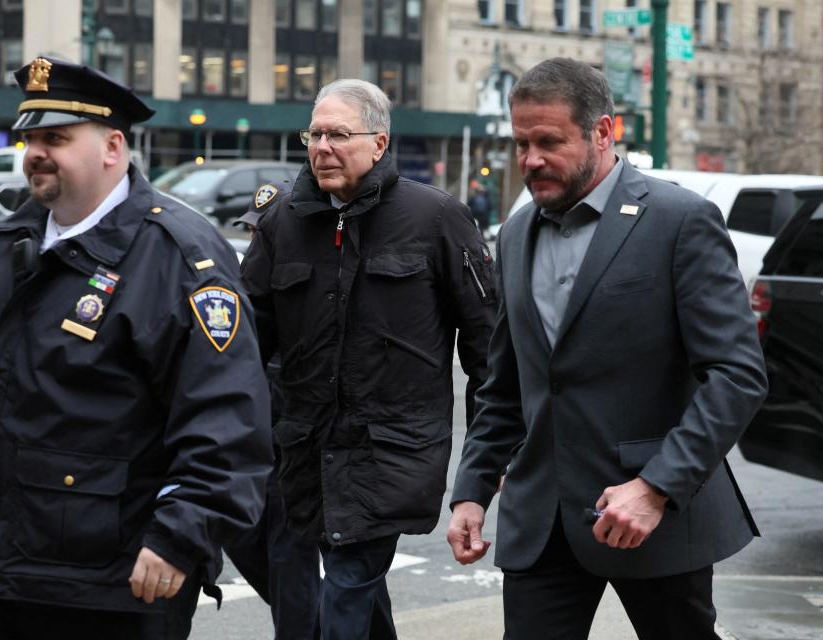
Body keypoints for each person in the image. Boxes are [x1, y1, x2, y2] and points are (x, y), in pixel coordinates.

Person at [0, 57, 273, 640]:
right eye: (29, 137)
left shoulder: (179, 256)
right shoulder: (3, 245)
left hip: (115, 585)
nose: (35, 152)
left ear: (112, 147)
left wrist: (180, 537)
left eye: (55, 137)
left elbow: (227, 421)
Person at [447, 57, 768, 639]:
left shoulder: (678, 220)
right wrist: (470, 491)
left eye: (549, 141)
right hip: (541, 520)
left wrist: (657, 486)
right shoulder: (516, 233)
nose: (531, 160)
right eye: (521, 142)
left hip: (652, 514)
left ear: (602, 133)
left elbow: (737, 375)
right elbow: (506, 384)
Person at [241, 79, 496, 640]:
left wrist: (487, 460)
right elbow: (243, 346)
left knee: (348, 586)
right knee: (346, 586)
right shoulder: (282, 220)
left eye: (339, 134)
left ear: (379, 143)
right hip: (303, 453)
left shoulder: (436, 219)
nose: (322, 147)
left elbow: (488, 351)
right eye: (315, 134)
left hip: (392, 452)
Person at [225, 182, 322, 640]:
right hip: (255, 443)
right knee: (244, 538)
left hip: (297, 444)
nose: (254, 240)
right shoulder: (251, 274)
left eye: (262, 232)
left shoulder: (306, 277)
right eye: (252, 231)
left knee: (290, 557)